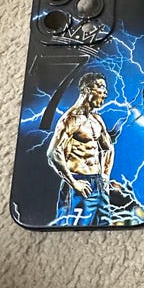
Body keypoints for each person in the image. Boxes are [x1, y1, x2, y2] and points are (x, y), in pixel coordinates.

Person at [47, 72, 114, 226]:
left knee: (105, 226)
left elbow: (108, 148)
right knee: (72, 228)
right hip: (79, 182)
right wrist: (73, 183)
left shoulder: (97, 120)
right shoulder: (70, 119)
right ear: (87, 90)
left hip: (98, 183)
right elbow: (53, 152)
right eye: (101, 87)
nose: (105, 92)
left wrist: (105, 176)